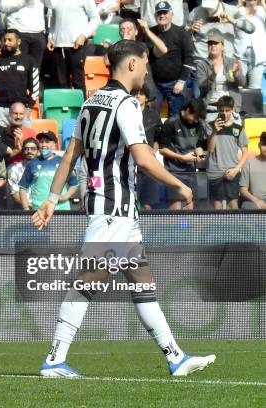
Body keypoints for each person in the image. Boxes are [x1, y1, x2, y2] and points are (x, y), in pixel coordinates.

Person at [32, 40, 215, 378]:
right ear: (132, 65)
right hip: (113, 207)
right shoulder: (126, 104)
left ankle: (175, 356)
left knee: (142, 284)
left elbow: (71, 155)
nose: (146, 71)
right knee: (88, 280)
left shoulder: (90, 102)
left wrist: (52, 199)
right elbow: (144, 159)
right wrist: (179, 185)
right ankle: (55, 358)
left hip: (116, 210)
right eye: (144, 64)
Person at [157, 99, 208, 209]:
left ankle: (187, 227)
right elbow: (162, 149)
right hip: (173, 173)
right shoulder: (171, 123)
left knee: (189, 207)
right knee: (176, 208)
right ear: (188, 110)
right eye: (195, 117)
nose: (196, 121)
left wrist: (201, 156)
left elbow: (199, 146)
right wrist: (182, 158)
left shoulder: (199, 124)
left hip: (191, 173)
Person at [148, 1, 193, 117]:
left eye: (165, 12)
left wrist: (182, 81)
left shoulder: (182, 33)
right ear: (155, 16)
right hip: (155, 84)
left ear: (171, 14)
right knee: (151, 116)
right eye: (159, 13)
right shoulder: (150, 33)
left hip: (175, 83)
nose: (162, 15)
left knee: (175, 118)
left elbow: (189, 59)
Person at [43, 0, 99, 91]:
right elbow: (54, 19)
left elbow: (95, 19)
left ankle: (81, 105)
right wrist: (50, 37)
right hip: (58, 47)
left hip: (76, 46)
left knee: (78, 82)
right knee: (61, 84)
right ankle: (65, 105)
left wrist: (84, 35)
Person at [0, 29, 39, 126]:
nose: (6, 43)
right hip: (0, 109)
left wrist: (29, 108)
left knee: (25, 140)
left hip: (20, 109)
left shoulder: (29, 60)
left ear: (19, 42)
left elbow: (35, 88)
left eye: (10, 40)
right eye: (5, 40)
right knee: (0, 140)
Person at [206, 95, 248, 209]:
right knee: (217, 206)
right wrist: (214, 131)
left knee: (233, 205)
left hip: (232, 171)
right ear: (217, 111)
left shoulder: (238, 128)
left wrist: (236, 169)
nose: (224, 113)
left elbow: (245, 153)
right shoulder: (210, 126)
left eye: (227, 110)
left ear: (233, 109)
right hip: (214, 172)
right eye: (221, 110)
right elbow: (210, 149)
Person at [20, 131, 78, 211]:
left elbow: (74, 184)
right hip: (39, 211)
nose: (43, 145)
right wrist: (25, 208)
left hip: (62, 210)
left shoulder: (63, 162)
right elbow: (23, 187)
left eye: (47, 142)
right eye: (41, 142)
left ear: (55, 144)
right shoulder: (32, 163)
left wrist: (65, 197)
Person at [196, 30, 245, 121]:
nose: (212, 45)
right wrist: (213, 75)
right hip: (211, 107)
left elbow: (242, 82)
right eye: (210, 43)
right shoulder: (202, 64)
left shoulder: (232, 62)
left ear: (222, 46)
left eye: (215, 43)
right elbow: (202, 88)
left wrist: (236, 74)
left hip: (230, 107)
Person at [188, 0, 255, 62]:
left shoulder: (232, 10)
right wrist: (191, 30)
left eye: (211, 6)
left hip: (225, 61)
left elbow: (251, 28)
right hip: (202, 60)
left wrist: (233, 21)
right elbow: (184, 34)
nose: (209, 10)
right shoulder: (196, 11)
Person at [133, 86, 162, 209]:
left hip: (149, 162)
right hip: (132, 162)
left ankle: (147, 227)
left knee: (147, 203)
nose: (138, 96)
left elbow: (159, 136)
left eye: (141, 94)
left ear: (146, 97)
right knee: (132, 201)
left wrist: (154, 149)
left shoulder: (153, 115)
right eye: (135, 93)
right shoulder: (127, 114)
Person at [0, 0, 47, 69]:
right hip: (18, 31)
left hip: (38, 33)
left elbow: (51, 5)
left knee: (35, 69)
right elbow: (3, 7)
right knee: (17, 68)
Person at [235, 0, 266, 89]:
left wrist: (264, 3)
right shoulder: (238, 10)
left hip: (258, 55)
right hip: (239, 55)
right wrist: (239, 4)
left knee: (255, 88)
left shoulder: (262, 10)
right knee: (238, 87)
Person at [8, 138, 38, 208]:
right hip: (22, 209)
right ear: (22, 151)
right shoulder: (14, 169)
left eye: (33, 149)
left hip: (41, 207)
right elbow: (15, 194)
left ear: (38, 151)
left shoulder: (43, 168)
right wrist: (29, 207)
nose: (29, 151)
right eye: (26, 149)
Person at [240, 133, 266, 209]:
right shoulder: (249, 163)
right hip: (252, 201)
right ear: (259, 145)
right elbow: (243, 190)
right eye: (264, 144)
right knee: (249, 207)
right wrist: (256, 201)